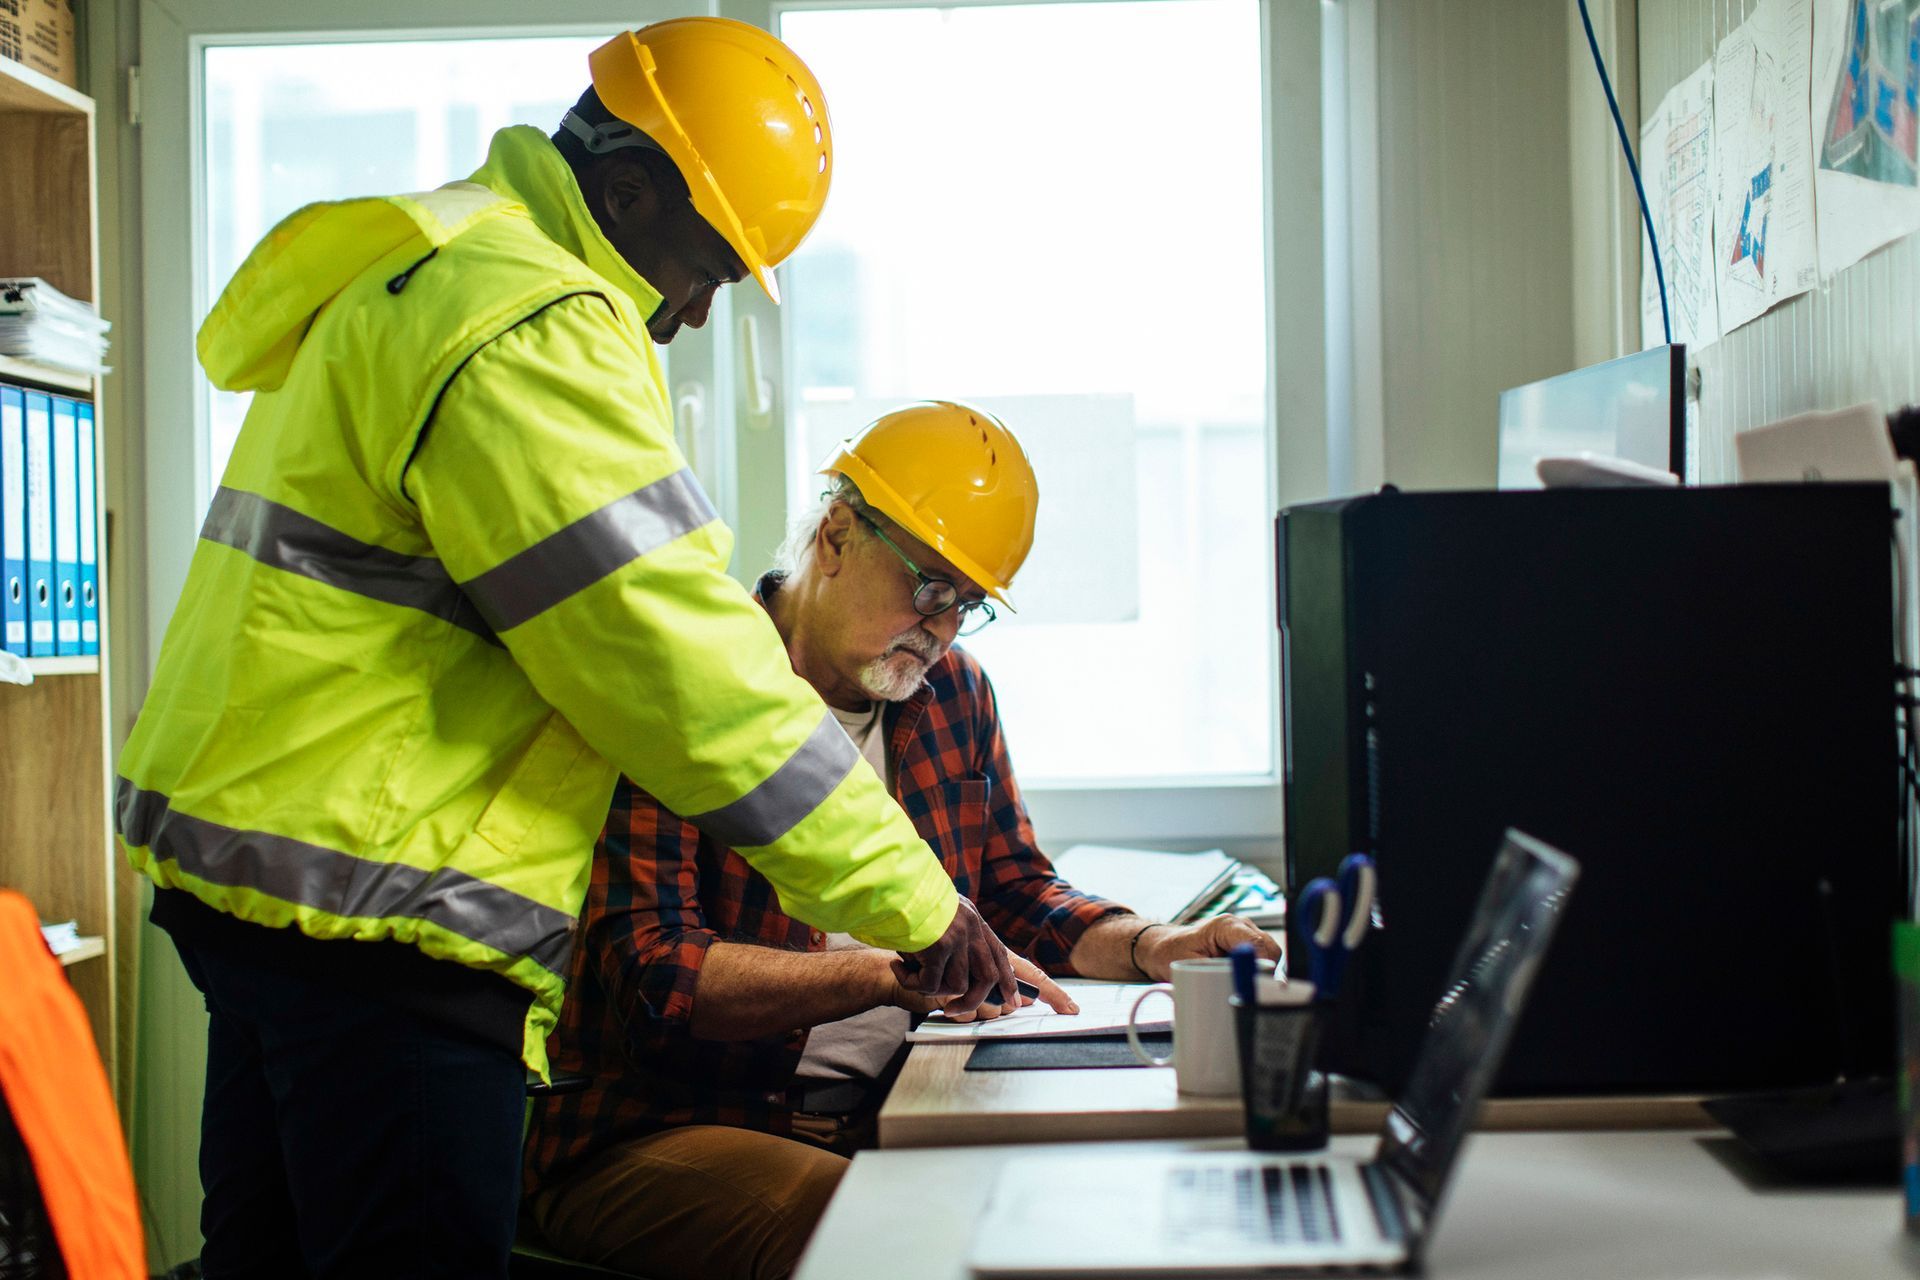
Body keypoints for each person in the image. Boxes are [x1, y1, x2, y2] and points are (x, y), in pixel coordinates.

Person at [113, 24, 1014, 1280]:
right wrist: (919, 909)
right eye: (705, 269)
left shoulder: (442, 262)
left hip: (276, 894)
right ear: (633, 189)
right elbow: (685, 675)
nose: (692, 314)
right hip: (391, 917)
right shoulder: (532, 320)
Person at [523, 402, 1282, 1280]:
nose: (942, 627)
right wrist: (896, 975)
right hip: (665, 1125)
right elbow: (654, 981)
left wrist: (1155, 944)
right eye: (930, 589)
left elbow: (1015, 894)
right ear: (837, 536)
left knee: (1087, 1213)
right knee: (888, 1239)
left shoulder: (953, 693)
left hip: (896, 1107)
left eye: (966, 606)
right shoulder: (689, 692)